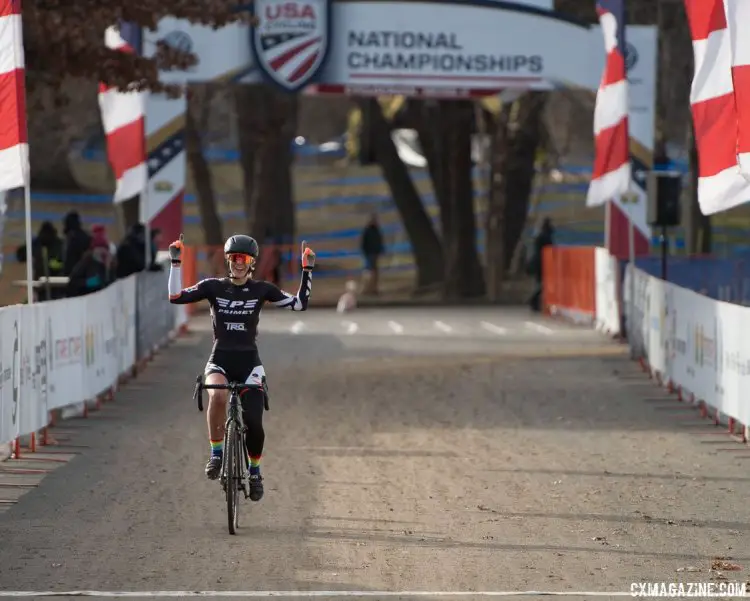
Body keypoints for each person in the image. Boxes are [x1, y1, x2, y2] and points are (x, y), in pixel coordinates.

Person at [166, 233, 315, 502]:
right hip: (220, 358)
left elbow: (299, 304)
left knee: (255, 424)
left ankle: (255, 471)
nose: (238, 263)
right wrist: (176, 262)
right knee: (218, 394)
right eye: (234, 258)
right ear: (227, 260)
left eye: (243, 259)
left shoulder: (262, 290)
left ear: (252, 263)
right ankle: (216, 453)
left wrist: (307, 269)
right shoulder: (213, 287)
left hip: (249, 363)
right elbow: (176, 296)